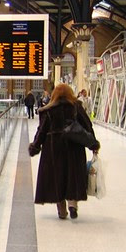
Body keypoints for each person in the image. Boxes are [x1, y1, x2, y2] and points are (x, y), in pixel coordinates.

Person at [29, 83, 100, 220]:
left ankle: (61, 210)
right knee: (72, 176)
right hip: (74, 148)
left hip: (53, 150)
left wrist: (35, 146)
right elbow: (87, 126)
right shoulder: (76, 107)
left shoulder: (48, 110)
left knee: (58, 178)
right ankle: (72, 205)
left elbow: (41, 131)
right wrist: (93, 144)